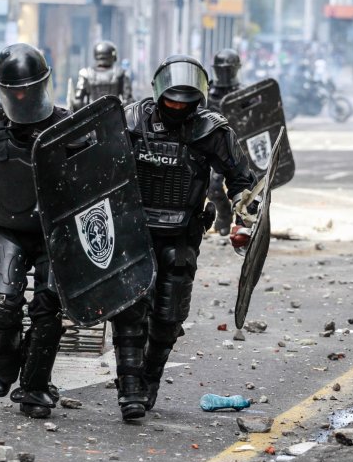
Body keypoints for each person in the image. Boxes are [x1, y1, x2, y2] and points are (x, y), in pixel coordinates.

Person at [109, 55, 256, 420]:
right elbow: (98, 167)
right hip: (135, 230)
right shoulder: (129, 121)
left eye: (185, 101)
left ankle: (149, 380)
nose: (177, 107)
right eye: (171, 100)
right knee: (129, 311)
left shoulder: (210, 130)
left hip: (180, 234)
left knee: (169, 316)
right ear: (159, 94)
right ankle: (129, 391)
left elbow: (242, 179)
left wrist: (245, 214)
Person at [0, 43, 72, 420]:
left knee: (48, 310)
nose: (20, 97)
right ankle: (4, 361)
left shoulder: (65, 124)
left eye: (26, 90)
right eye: (13, 91)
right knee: (2, 306)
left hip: (53, 230)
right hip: (9, 225)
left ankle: (34, 385)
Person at [206, 48, 244, 235]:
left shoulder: (243, 94)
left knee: (243, 190)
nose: (225, 73)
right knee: (212, 186)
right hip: (213, 147)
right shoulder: (206, 92)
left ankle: (243, 224)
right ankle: (224, 215)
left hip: (236, 149)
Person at [69, 40, 133, 111]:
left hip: (91, 116)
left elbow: (78, 100)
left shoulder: (86, 73)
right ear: (112, 56)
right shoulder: (120, 73)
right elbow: (128, 100)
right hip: (115, 115)